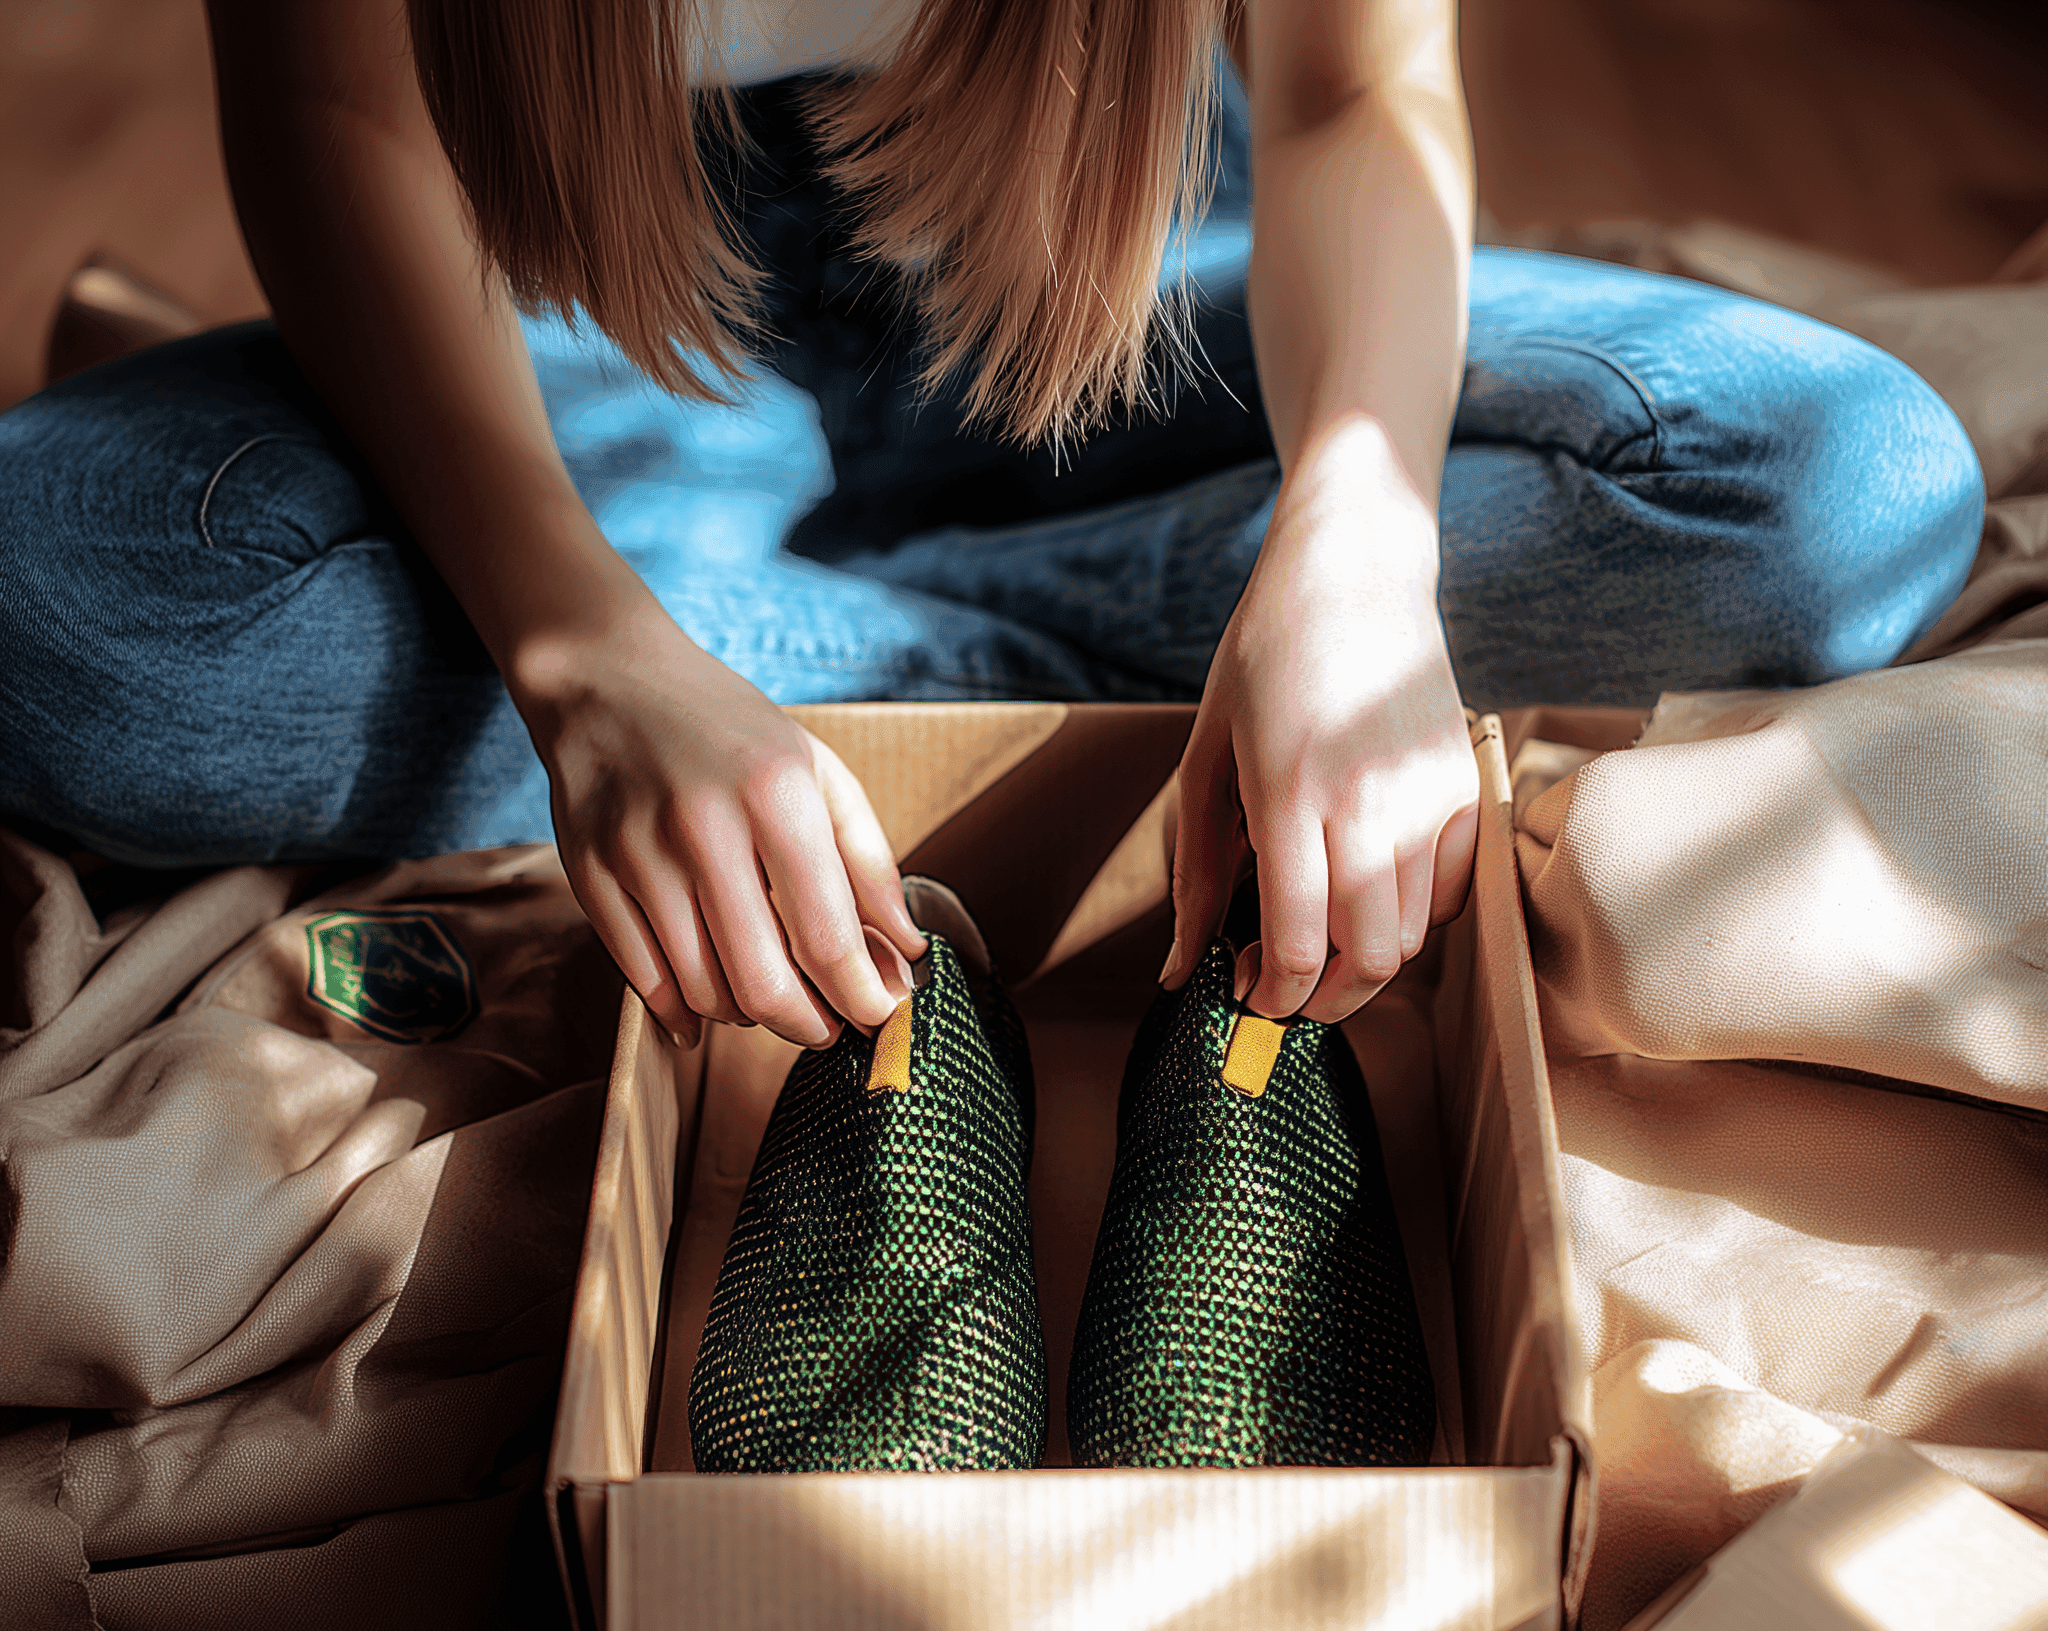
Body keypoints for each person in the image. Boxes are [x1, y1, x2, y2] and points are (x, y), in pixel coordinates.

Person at [0, 0, 1984, 1050]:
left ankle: (788, 659)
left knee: (1849, 493)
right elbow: (341, 114)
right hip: (592, 303)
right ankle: (1054, 658)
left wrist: (1362, 549)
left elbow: (1345, 94)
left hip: (1102, 250)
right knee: (46, 618)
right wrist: (578, 643)